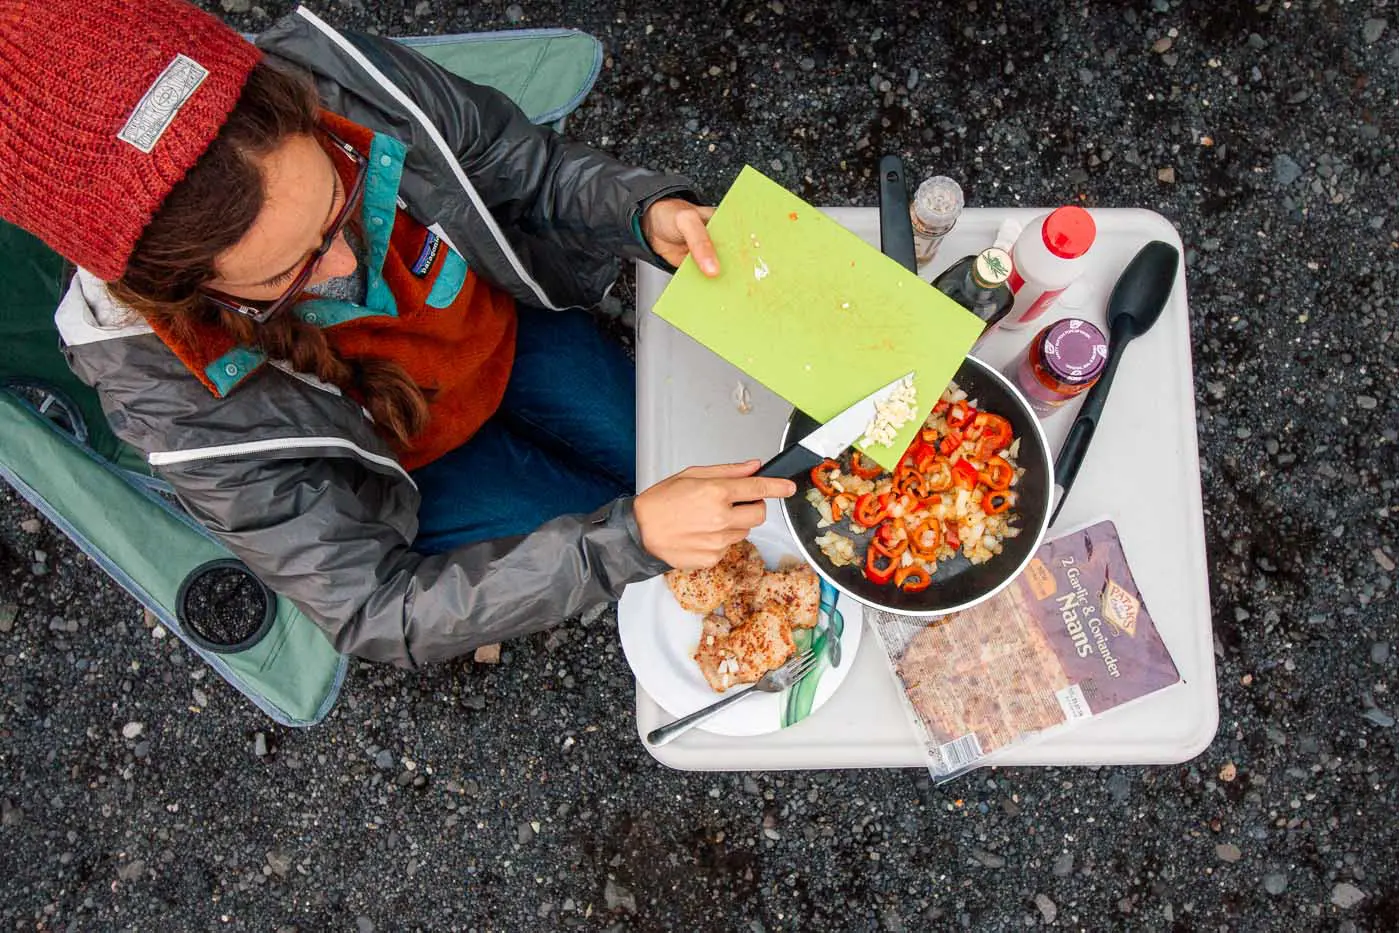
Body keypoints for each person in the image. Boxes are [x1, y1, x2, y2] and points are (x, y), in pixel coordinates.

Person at [0, 0, 796, 667]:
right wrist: (625, 541)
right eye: (289, 274)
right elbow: (374, 607)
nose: (349, 263)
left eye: (340, 201)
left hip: (508, 339)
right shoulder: (164, 391)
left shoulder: (339, 75)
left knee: (703, 471)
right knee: (635, 529)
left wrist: (639, 210)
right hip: (414, 472)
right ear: (185, 291)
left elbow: (526, 168)